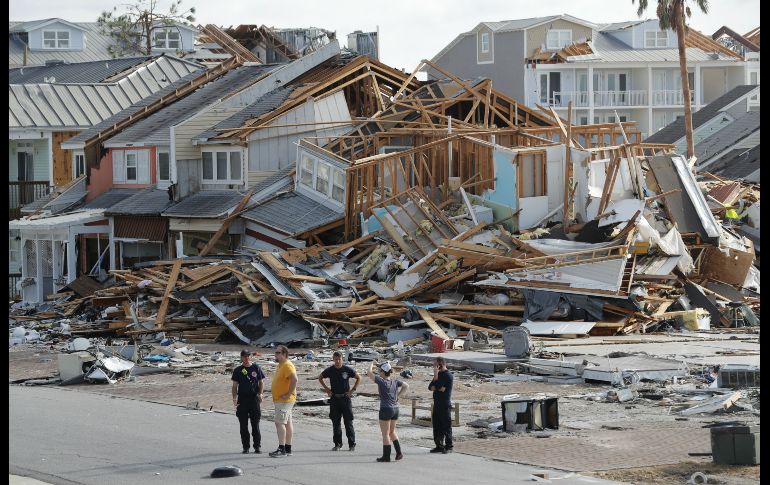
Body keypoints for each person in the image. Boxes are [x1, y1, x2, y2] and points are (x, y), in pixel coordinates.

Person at [319, 351, 361, 451]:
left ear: (342, 359)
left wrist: (352, 390)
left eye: (339, 359)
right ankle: (337, 444)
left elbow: (359, 378)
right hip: (334, 399)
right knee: (336, 423)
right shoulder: (330, 370)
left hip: (345, 399)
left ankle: (352, 444)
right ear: (333, 359)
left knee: (348, 422)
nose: (337, 361)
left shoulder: (347, 369)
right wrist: (327, 389)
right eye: (336, 359)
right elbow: (320, 377)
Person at [367, 360, 409, 462]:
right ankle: (399, 453)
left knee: (385, 433)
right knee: (392, 431)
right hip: (395, 409)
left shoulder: (381, 381)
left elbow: (369, 373)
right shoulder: (394, 381)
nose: (379, 372)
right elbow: (406, 385)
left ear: (382, 372)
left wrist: (371, 364)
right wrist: (398, 396)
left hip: (386, 409)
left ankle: (386, 456)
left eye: (380, 370)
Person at [231, 349, 266, 454]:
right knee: (243, 425)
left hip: (254, 399)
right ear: (241, 358)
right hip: (242, 399)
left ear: (250, 357)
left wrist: (260, 393)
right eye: (244, 356)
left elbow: (261, 382)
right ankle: (245, 447)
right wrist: (234, 398)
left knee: (255, 424)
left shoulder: (256, 367)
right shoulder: (238, 370)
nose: (246, 358)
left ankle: (257, 446)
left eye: (248, 356)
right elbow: (234, 386)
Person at [269, 345, 298, 458]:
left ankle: (282, 449)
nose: (275, 354)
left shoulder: (287, 365)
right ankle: (288, 447)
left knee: (279, 422)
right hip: (281, 400)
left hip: (284, 400)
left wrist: (288, 394)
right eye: (275, 352)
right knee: (287, 423)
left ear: (284, 354)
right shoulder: (281, 365)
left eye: (278, 352)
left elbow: (295, 379)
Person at [428, 356, 454, 454]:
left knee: (446, 426)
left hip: (444, 404)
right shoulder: (438, 375)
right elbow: (430, 387)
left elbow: (437, 386)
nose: (434, 367)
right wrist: (437, 385)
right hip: (437, 404)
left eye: (435, 365)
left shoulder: (447, 375)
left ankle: (449, 446)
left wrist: (435, 376)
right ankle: (439, 445)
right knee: (437, 426)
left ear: (440, 364)